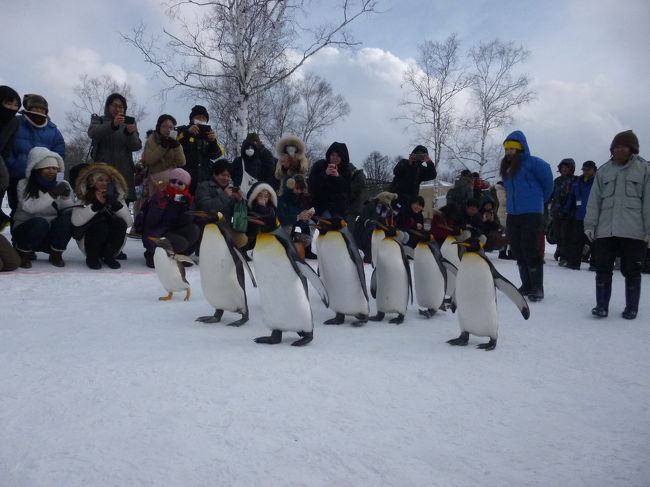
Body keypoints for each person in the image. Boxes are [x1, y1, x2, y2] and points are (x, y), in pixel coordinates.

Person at [584, 130, 649, 320]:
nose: (619, 149)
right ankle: (601, 306)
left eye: (623, 146)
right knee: (603, 268)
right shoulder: (603, 171)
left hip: (634, 231)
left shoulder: (644, 169)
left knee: (632, 270)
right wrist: (590, 224)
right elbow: (594, 201)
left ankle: (631, 307)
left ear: (632, 149)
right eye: (616, 146)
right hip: (606, 230)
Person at [500, 130, 554, 302]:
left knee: (531, 249)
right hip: (514, 214)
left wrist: (538, 201)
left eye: (512, 148)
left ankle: (537, 287)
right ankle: (526, 284)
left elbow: (548, 186)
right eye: (506, 148)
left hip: (531, 213)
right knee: (517, 249)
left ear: (521, 148)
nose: (509, 152)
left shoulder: (536, 164)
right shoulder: (507, 169)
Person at [12, 147, 73, 268]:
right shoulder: (23, 184)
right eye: (48, 168)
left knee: (67, 219)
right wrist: (52, 194)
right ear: (37, 169)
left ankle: (56, 252)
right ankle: (23, 252)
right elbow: (29, 207)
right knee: (40, 223)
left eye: (55, 168)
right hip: (27, 229)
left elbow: (68, 210)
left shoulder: (62, 184)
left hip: (50, 232)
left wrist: (66, 198)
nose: (52, 171)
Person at [5, 94, 65, 214]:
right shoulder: (16, 123)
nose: (39, 111)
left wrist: (56, 175)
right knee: (17, 208)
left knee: (44, 208)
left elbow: (59, 156)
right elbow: (7, 148)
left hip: (43, 178)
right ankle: (18, 231)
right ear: (28, 108)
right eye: (35, 108)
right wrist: (13, 166)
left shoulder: (53, 130)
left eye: (42, 109)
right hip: (17, 175)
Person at [71, 164, 133, 269]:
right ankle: (92, 257)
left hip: (110, 242)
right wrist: (96, 206)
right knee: (100, 225)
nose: (104, 183)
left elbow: (129, 222)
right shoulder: (85, 196)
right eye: (100, 180)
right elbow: (76, 221)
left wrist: (115, 204)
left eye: (107, 180)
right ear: (93, 182)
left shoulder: (117, 196)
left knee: (119, 223)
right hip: (90, 239)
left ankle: (109, 255)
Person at [87, 93, 143, 202]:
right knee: (105, 203)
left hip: (124, 175)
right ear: (108, 106)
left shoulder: (128, 124)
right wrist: (113, 125)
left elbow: (136, 146)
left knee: (122, 209)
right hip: (105, 175)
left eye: (121, 107)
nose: (117, 109)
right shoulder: (99, 120)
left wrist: (130, 133)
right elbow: (93, 133)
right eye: (114, 105)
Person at [141, 167, 199, 268]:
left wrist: (185, 208)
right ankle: (152, 255)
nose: (176, 185)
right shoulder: (160, 196)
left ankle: (179, 257)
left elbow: (185, 224)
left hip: (171, 232)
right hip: (157, 233)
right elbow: (151, 222)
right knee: (181, 243)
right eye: (173, 181)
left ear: (186, 186)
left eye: (180, 183)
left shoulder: (187, 199)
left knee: (194, 230)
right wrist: (160, 207)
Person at [194, 159, 248, 249]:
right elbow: (205, 207)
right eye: (223, 175)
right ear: (215, 174)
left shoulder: (229, 189)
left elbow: (234, 214)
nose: (226, 178)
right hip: (208, 227)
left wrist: (238, 201)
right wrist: (225, 196)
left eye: (228, 176)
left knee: (242, 239)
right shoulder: (204, 186)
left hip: (224, 226)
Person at [176, 105, 224, 194]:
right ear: (192, 118)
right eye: (198, 117)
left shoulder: (209, 135)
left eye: (204, 117)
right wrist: (187, 132)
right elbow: (173, 144)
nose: (201, 119)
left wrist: (213, 141)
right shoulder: (182, 130)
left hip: (204, 180)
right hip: (184, 179)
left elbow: (218, 154)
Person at [561, 160, 597, 270]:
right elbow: (571, 197)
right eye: (584, 169)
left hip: (595, 217)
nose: (586, 172)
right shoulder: (577, 182)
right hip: (579, 216)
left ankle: (595, 264)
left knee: (595, 242)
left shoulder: (598, 182)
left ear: (594, 170)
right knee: (576, 240)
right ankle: (574, 263)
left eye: (588, 170)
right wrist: (565, 211)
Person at [309, 141, 358, 218]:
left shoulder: (346, 171)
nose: (335, 158)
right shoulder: (320, 165)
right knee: (328, 221)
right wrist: (325, 174)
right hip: (319, 207)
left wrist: (338, 177)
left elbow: (348, 191)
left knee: (341, 225)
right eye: (333, 155)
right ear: (329, 155)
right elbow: (312, 186)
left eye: (338, 156)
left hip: (338, 209)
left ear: (342, 157)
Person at [142, 114, 186, 196]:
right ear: (159, 127)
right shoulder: (151, 141)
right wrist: (162, 147)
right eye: (164, 126)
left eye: (171, 127)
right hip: (155, 181)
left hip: (172, 182)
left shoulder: (175, 142)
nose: (168, 130)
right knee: (156, 205)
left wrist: (177, 147)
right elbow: (149, 160)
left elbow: (182, 162)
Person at [548, 158, 577, 266]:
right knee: (556, 234)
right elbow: (550, 194)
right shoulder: (557, 181)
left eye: (567, 167)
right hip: (556, 212)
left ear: (571, 169)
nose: (564, 169)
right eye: (562, 167)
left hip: (569, 213)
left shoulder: (575, 180)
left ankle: (565, 256)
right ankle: (559, 250)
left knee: (566, 234)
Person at [0, 86, 21, 229]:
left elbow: (7, 146)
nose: (12, 108)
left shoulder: (14, 122)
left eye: (15, 105)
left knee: (3, 181)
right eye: (8, 103)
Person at [389, 145, 436, 209]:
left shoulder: (421, 170)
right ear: (413, 154)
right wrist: (409, 163)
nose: (419, 157)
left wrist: (429, 162)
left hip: (410, 202)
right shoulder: (404, 162)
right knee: (391, 217)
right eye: (418, 154)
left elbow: (432, 175)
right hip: (395, 197)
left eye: (422, 156)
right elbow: (396, 172)